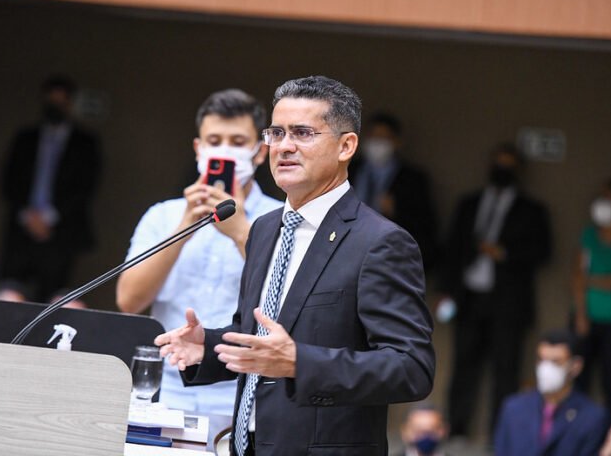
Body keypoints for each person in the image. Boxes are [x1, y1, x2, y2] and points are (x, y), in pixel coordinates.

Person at [155, 75, 435, 455]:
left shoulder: (380, 242)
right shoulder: (265, 229)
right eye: (276, 133)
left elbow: (411, 368)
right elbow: (257, 333)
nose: (284, 147)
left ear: (346, 146)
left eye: (303, 133)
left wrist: (300, 363)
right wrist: (211, 347)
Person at [117, 88, 282, 415]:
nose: (225, 151)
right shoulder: (163, 214)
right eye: (215, 140)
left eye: (237, 143)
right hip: (164, 388)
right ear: (198, 148)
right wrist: (185, 226)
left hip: (243, 393)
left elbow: (292, 296)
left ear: (259, 153)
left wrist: (242, 233)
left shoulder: (282, 218)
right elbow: (129, 301)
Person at [438, 142, 551, 436]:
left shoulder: (531, 209)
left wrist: (505, 253)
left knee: (505, 370)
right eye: (498, 163)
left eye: (508, 165)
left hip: (508, 301)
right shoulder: (470, 203)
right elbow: (452, 248)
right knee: (464, 366)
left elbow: (543, 251)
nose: (502, 170)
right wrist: (447, 291)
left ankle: (499, 435)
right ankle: (457, 429)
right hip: (470, 296)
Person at [0, 75, 101, 302]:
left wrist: (48, 217)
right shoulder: (26, 138)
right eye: (51, 101)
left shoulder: (85, 143)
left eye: (61, 102)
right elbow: (9, 182)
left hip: (61, 233)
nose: (55, 108)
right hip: (21, 231)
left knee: (53, 297)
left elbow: (86, 188)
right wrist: (28, 216)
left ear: (70, 103)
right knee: (9, 293)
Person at [494, 329, 609, 456]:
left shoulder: (592, 417)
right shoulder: (514, 408)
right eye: (542, 360)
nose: (546, 368)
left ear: (576, 366)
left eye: (555, 362)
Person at [351, 112, 439, 270]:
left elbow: (425, 226)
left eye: (383, 138)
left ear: (397, 142)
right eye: (373, 137)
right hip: (349, 253)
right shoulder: (348, 170)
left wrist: (396, 211)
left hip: (388, 260)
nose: (377, 143)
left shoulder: (412, 180)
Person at [572, 179, 611, 421]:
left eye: (609, 198)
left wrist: (594, 280)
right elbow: (578, 276)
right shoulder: (589, 235)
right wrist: (581, 314)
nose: (604, 203)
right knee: (579, 378)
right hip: (587, 318)